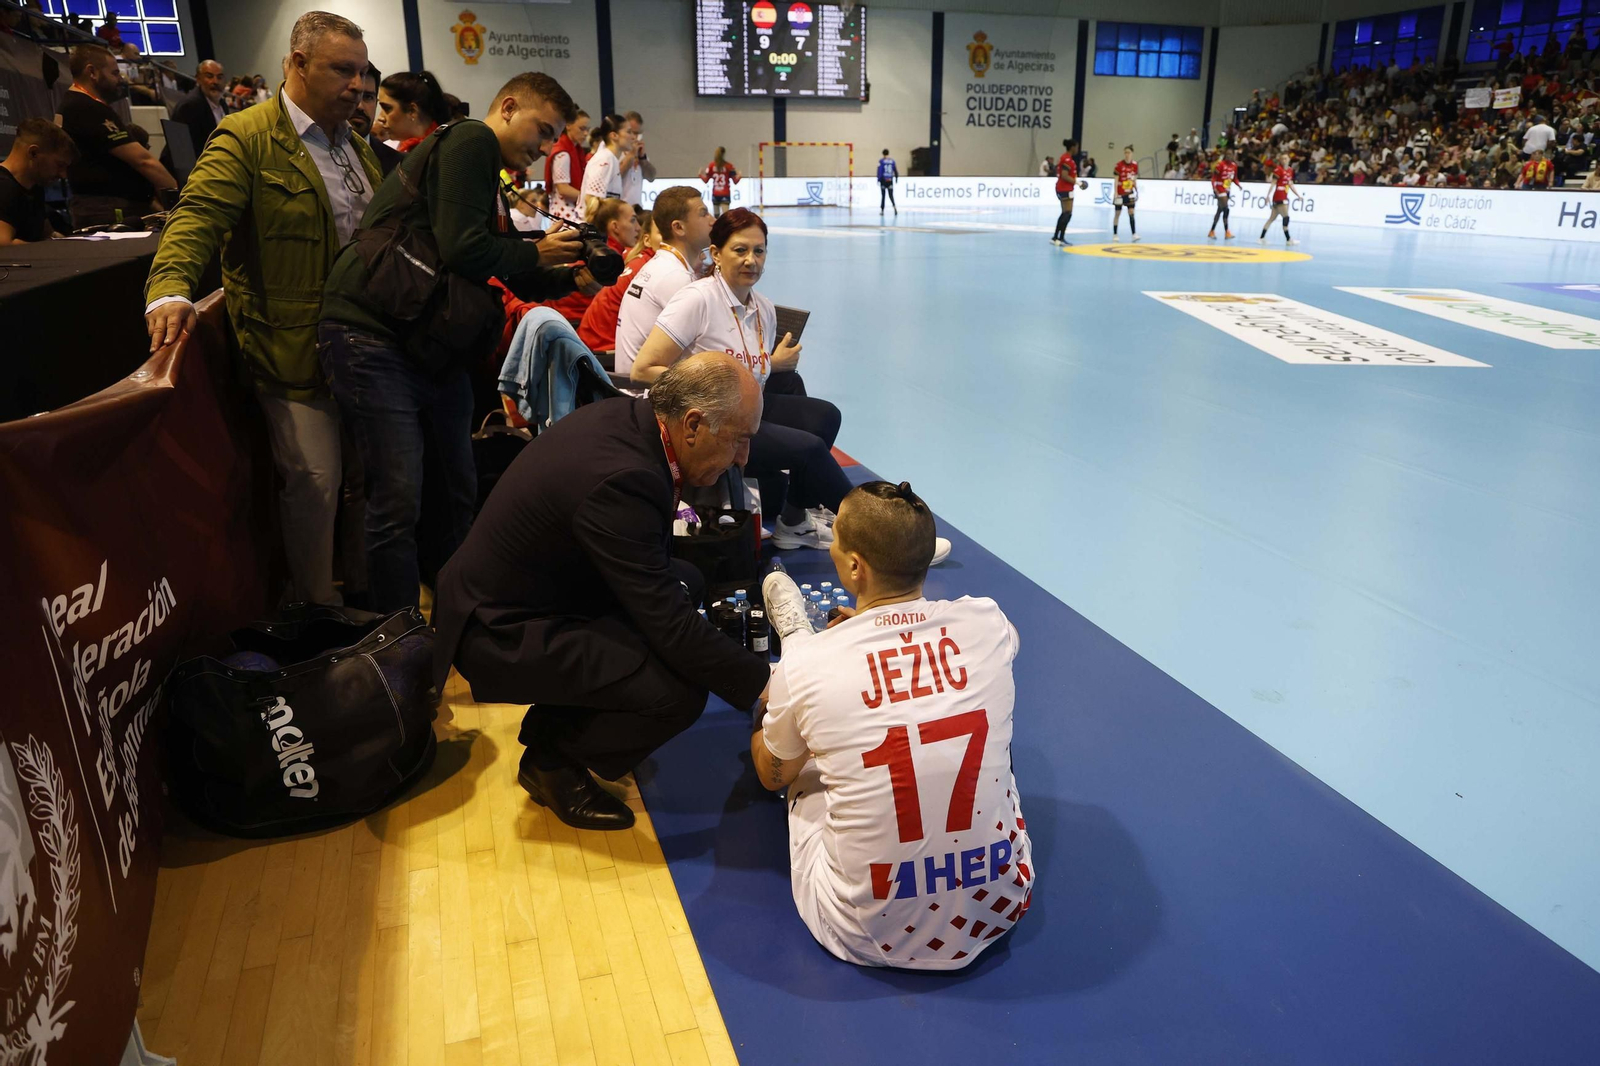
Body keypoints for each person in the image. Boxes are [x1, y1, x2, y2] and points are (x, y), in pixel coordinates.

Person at [433, 353, 772, 830]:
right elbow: (671, 629)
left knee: (688, 581)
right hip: (498, 631)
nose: (744, 458)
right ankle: (551, 762)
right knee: (678, 692)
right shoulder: (624, 479)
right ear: (692, 424)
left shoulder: (633, 420)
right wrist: (767, 686)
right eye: (740, 439)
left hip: (525, 591)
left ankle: (574, 717)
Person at [318, 71, 590, 614]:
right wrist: (537, 254)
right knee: (398, 501)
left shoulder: (483, 164)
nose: (545, 148)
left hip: (426, 343)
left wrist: (576, 275)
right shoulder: (471, 140)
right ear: (508, 107)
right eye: (543, 130)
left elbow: (491, 260)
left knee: (453, 492)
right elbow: (466, 250)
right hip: (374, 333)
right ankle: (397, 643)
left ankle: (459, 619)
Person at [144, 11, 382, 607]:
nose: (357, 86)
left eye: (361, 73)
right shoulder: (247, 137)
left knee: (363, 483)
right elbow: (196, 217)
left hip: (365, 348)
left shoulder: (357, 148)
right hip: (291, 351)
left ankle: (363, 605)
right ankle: (316, 617)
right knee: (314, 482)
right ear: (297, 64)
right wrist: (170, 289)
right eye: (341, 71)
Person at [754, 480, 1032, 970]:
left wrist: (777, 702)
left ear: (855, 567)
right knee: (982, 735)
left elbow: (771, 775)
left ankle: (794, 634)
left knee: (803, 758)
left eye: (835, 537)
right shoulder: (989, 622)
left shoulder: (811, 668)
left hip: (865, 930)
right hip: (999, 904)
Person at [60, 44, 176, 225]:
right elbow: (143, 160)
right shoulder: (87, 107)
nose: (120, 79)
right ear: (92, 72)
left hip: (103, 206)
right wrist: (182, 200)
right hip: (106, 209)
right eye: (114, 73)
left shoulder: (75, 104)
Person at [614, 184, 714, 375]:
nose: (712, 220)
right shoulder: (675, 278)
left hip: (635, 386)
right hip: (649, 393)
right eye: (703, 214)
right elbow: (709, 350)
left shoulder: (662, 265)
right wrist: (768, 363)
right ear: (678, 227)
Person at [579, 208, 658, 354]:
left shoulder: (631, 258)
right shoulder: (612, 259)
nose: (637, 227)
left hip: (589, 342)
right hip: (601, 351)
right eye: (632, 220)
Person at [0, 119, 74, 244]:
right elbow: (3, 244)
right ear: (33, 153)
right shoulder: (3, 187)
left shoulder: (35, 187)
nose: (63, 175)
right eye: (60, 165)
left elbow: (48, 234)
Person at [160, 59, 227, 178]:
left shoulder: (222, 104)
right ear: (198, 79)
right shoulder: (189, 106)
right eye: (209, 76)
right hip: (190, 175)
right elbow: (180, 149)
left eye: (219, 77)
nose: (215, 81)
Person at [378, 70, 450, 153]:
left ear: (412, 110)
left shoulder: (448, 150)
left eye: (387, 108)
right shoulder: (388, 149)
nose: (380, 118)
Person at [351, 63, 403, 176]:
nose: (360, 106)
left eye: (368, 97)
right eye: (353, 95)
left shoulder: (400, 164)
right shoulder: (312, 154)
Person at [580, 113, 634, 219]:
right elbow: (591, 199)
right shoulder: (605, 159)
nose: (632, 137)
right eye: (628, 132)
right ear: (614, 135)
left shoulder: (611, 159)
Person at [545, 109, 590, 223]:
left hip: (572, 211)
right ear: (568, 126)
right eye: (582, 128)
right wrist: (589, 198)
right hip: (565, 215)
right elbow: (563, 189)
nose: (585, 133)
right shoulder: (563, 153)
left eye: (587, 129)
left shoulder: (577, 151)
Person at [1258, 152, 1303, 245]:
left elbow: (1290, 184)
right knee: (1286, 217)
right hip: (1279, 195)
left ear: (1289, 160)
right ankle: (1288, 239)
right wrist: (1267, 196)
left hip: (1284, 194)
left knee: (1272, 218)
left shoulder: (1290, 170)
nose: (1284, 160)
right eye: (1282, 159)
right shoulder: (1278, 170)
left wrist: (1298, 195)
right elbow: (1273, 184)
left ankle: (1261, 238)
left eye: (1286, 158)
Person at [1050, 137, 1083, 244]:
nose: (1078, 149)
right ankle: (1060, 238)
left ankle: (1056, 237)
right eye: (1077, 147)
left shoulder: (1066, 158)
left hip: (1065, 188)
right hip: (1065, 189)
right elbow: (1064, 175)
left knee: (1065, 213)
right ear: (1072, 147)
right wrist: (1078, 183)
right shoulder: (1067, 159)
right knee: (1068, 213)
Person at [1207, 148, 1245, 239]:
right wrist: (1214, 188)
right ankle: (1227, 232)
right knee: (1226, 209)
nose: (1229, 155)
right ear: (1225, 155)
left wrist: (1238, 185)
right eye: (1227, 154)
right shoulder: (1220, 165)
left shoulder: (1234, 166)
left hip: (1227, 189)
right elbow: (1214, 178)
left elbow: (1234, 178)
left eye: (1230, 154)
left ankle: (1212, 231)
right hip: (1220, 189)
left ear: (1233, 155)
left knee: (1219, 211)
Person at [619, 111, 655, 206]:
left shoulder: (640, 154)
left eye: (637, 133)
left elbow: (651, 177)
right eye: (630, 132)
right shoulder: (617, 153)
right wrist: (632, 154)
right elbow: (617, 176)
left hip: (637, 207)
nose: (634, 137)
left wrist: (642, 158)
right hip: (619, 206)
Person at [700, 146, 739, 216]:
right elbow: (735, 181)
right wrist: (739, 176)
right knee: (726, 216)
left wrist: (700, 175)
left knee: (716, 216)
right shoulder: (729, 166)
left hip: (715, 194)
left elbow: (706, 180)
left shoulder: (711, 166)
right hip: (725, 193)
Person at [1111, 145, 1139, 243]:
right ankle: (1115, 234)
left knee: (1131, 213)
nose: (1127, 154)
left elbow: (1134, 177)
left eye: (1129, 152)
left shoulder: (1135, 165)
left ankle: (1134, 234)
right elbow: (1116, 179)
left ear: (1132, 153)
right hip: (1120, 193)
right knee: (1117, 214)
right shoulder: (1118, 165)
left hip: (1130, 193)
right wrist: (1116, 192)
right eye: (1125, 152)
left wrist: (1135, 186)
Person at [877, 148, 898, 214]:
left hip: (883, 180)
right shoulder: (892, 161)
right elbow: (895, 170)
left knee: (883, 196)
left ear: (883, 154)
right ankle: (894, 208)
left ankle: (882, 211)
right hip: (890, 180)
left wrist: (879, 179)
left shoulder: (881, 161)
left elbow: (880, 171)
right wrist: (897, 177)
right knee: (891, 195)